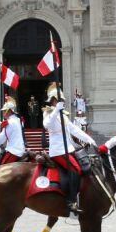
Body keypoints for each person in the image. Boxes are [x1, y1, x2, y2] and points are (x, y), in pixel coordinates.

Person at [43, 82, 96, 218]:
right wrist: (56, 110)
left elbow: (74, 129)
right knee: (75, 169)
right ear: (54, 101)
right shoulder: (48, 113)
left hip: (68, 148)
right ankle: (71, 201)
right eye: (59, 100)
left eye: (62, 101)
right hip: (58, 151)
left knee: (83, 165)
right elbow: (47, 125)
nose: (62, 102)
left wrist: (89, 139)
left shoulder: (63, 115)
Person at [0, 99, 26, 164]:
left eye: (4, 111)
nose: (3, 113)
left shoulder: (9, 122)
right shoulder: (18, 120)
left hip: (13, 150)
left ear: (9, 111)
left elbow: (2, 137)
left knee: (1, 170)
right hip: (19, 148)